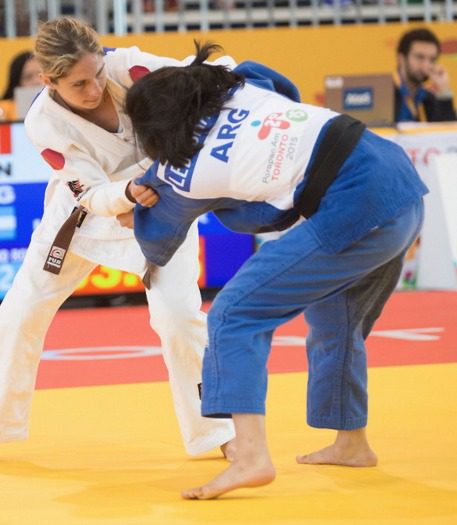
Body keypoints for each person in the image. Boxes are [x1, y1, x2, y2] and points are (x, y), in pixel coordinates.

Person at [0, 18, 235, 469]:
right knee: (19, 315)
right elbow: (87, 189)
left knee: (179, 318)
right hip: (80, 218)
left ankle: (221, 432)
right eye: (78, 83)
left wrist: (242, 82)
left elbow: (204, 76)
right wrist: (124, 197)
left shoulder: (132, 68)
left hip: (163, 209)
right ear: (48, 81)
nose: (94, 89)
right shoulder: (43, 122)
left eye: (97, 74)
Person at [124, 42, 428, 499]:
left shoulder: (179, 174)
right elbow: (278, 82)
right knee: (336, 313)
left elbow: (158, 238)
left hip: (358, 204)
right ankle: (351, 442)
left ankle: (249, 457)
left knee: (233, 314)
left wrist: (135, 205)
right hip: (397, 179)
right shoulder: (243, 86)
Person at [395, 27, 456, 123]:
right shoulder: (384, 93)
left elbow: (448, 134)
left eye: (432, 60)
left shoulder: (430, 98)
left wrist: (444, 92)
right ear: (401, 58)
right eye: (419, 57)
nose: (426, 65)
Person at [0, 50, 43, 121]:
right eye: (28, 77)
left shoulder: (56, 103)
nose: (37, 81)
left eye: (40, 74)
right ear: (17, 83)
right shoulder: (2, 110)